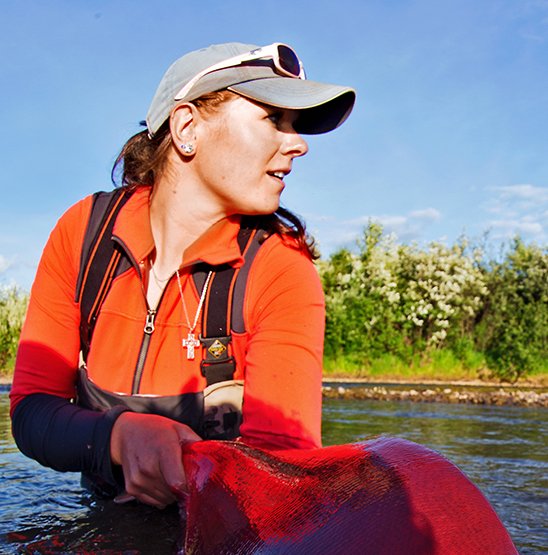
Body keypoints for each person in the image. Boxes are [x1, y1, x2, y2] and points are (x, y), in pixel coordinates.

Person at [10, 42, 355, 508]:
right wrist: (118, 434)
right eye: (274, 119)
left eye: (294, 126)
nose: (298, 143)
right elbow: (31, 414)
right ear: (188, 126)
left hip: (221, 546)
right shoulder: (85, 234)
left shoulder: (282, 265)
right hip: (100, 524)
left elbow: (283, 468)